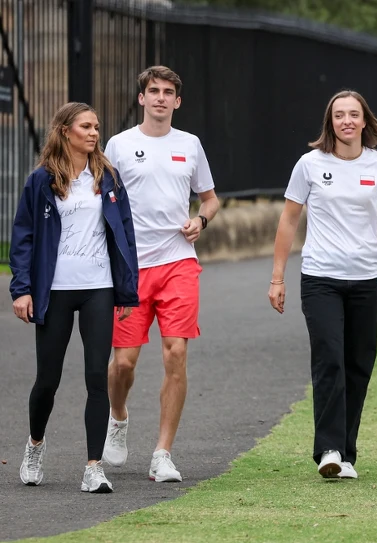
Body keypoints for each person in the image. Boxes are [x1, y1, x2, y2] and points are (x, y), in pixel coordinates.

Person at [269, 90, 377, 480]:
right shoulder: (309, 164)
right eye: (340, 115)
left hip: (363, 281)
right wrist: (277, 277)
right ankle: (329, 450)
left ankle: (347, 453)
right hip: (320, 278)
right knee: (329, 360)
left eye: (354, 114)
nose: (347, 121)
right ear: (330, 121)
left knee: (358, 366)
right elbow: (288, 221)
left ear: (365, 120)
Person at [9, 102, 139, 493]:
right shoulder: (41, 180)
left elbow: (126, 233)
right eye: (86, 126)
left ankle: (93, 466)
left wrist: (126, 290)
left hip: (98, 288)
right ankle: (34, 446)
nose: (94, 133)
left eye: (97, 127)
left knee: (96, 377)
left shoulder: (108, 178)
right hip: (55, 292)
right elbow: (23, 237)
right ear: (65, 130)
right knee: (47, 380)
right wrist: (22, 289)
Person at [101, 66, 220, 482]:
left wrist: (201, 222)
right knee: (124, 366)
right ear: (141, 98)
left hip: (179, 262)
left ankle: (162, 453)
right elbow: (100, 200)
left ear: (177, 101)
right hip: (131, 267)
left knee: (176, 353)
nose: (160, 98)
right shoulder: (118, 145)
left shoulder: (189, 145)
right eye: (153, 91)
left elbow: (210, 199)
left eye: (168, 92)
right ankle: (117, 417)